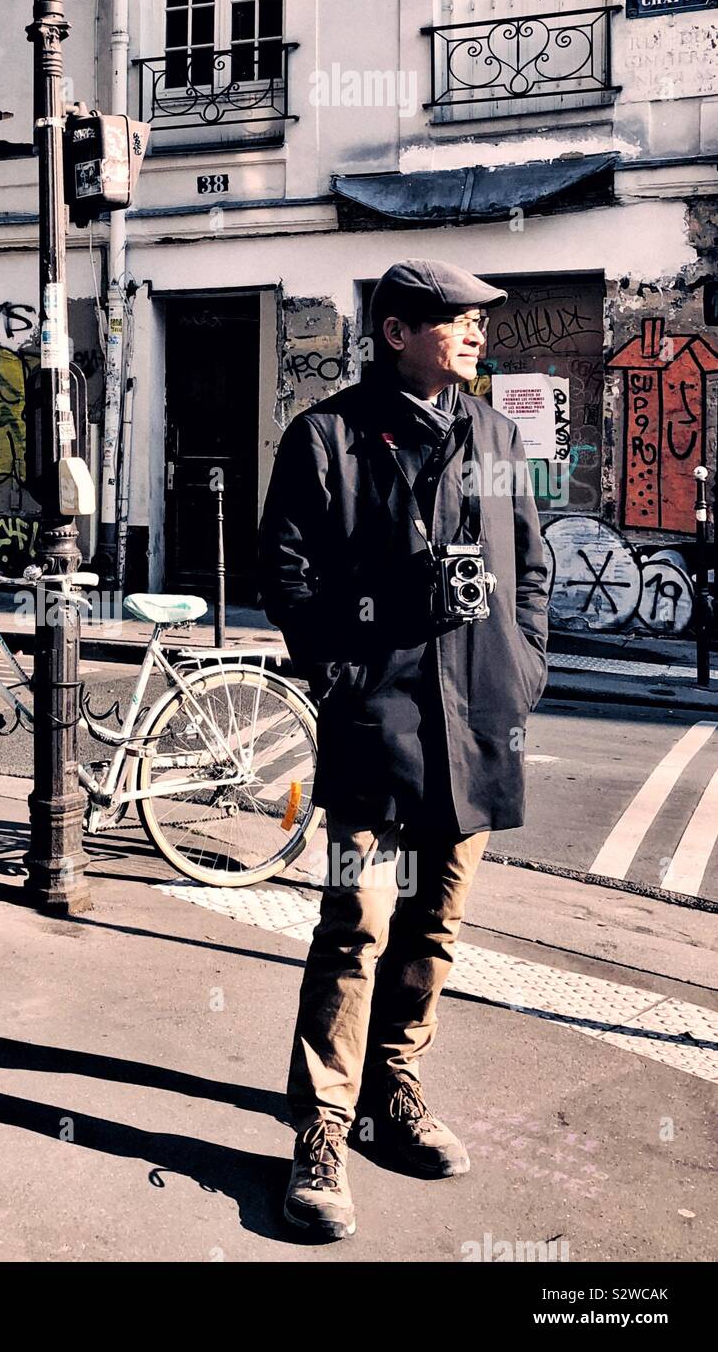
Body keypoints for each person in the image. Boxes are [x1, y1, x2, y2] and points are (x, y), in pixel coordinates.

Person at [258, 258, 550, 1240]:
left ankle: (395, 1093)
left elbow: (533, 568)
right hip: (372, 735)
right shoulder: (328, 437)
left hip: (475, 729)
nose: (474, 333)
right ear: (394, 330)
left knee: (435, 924)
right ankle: (324, 1126)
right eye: (457, 319)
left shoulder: (497, 435)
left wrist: (527, 669)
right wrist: (361, 646)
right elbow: (286, 579)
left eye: (477, 321)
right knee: (354, 921)